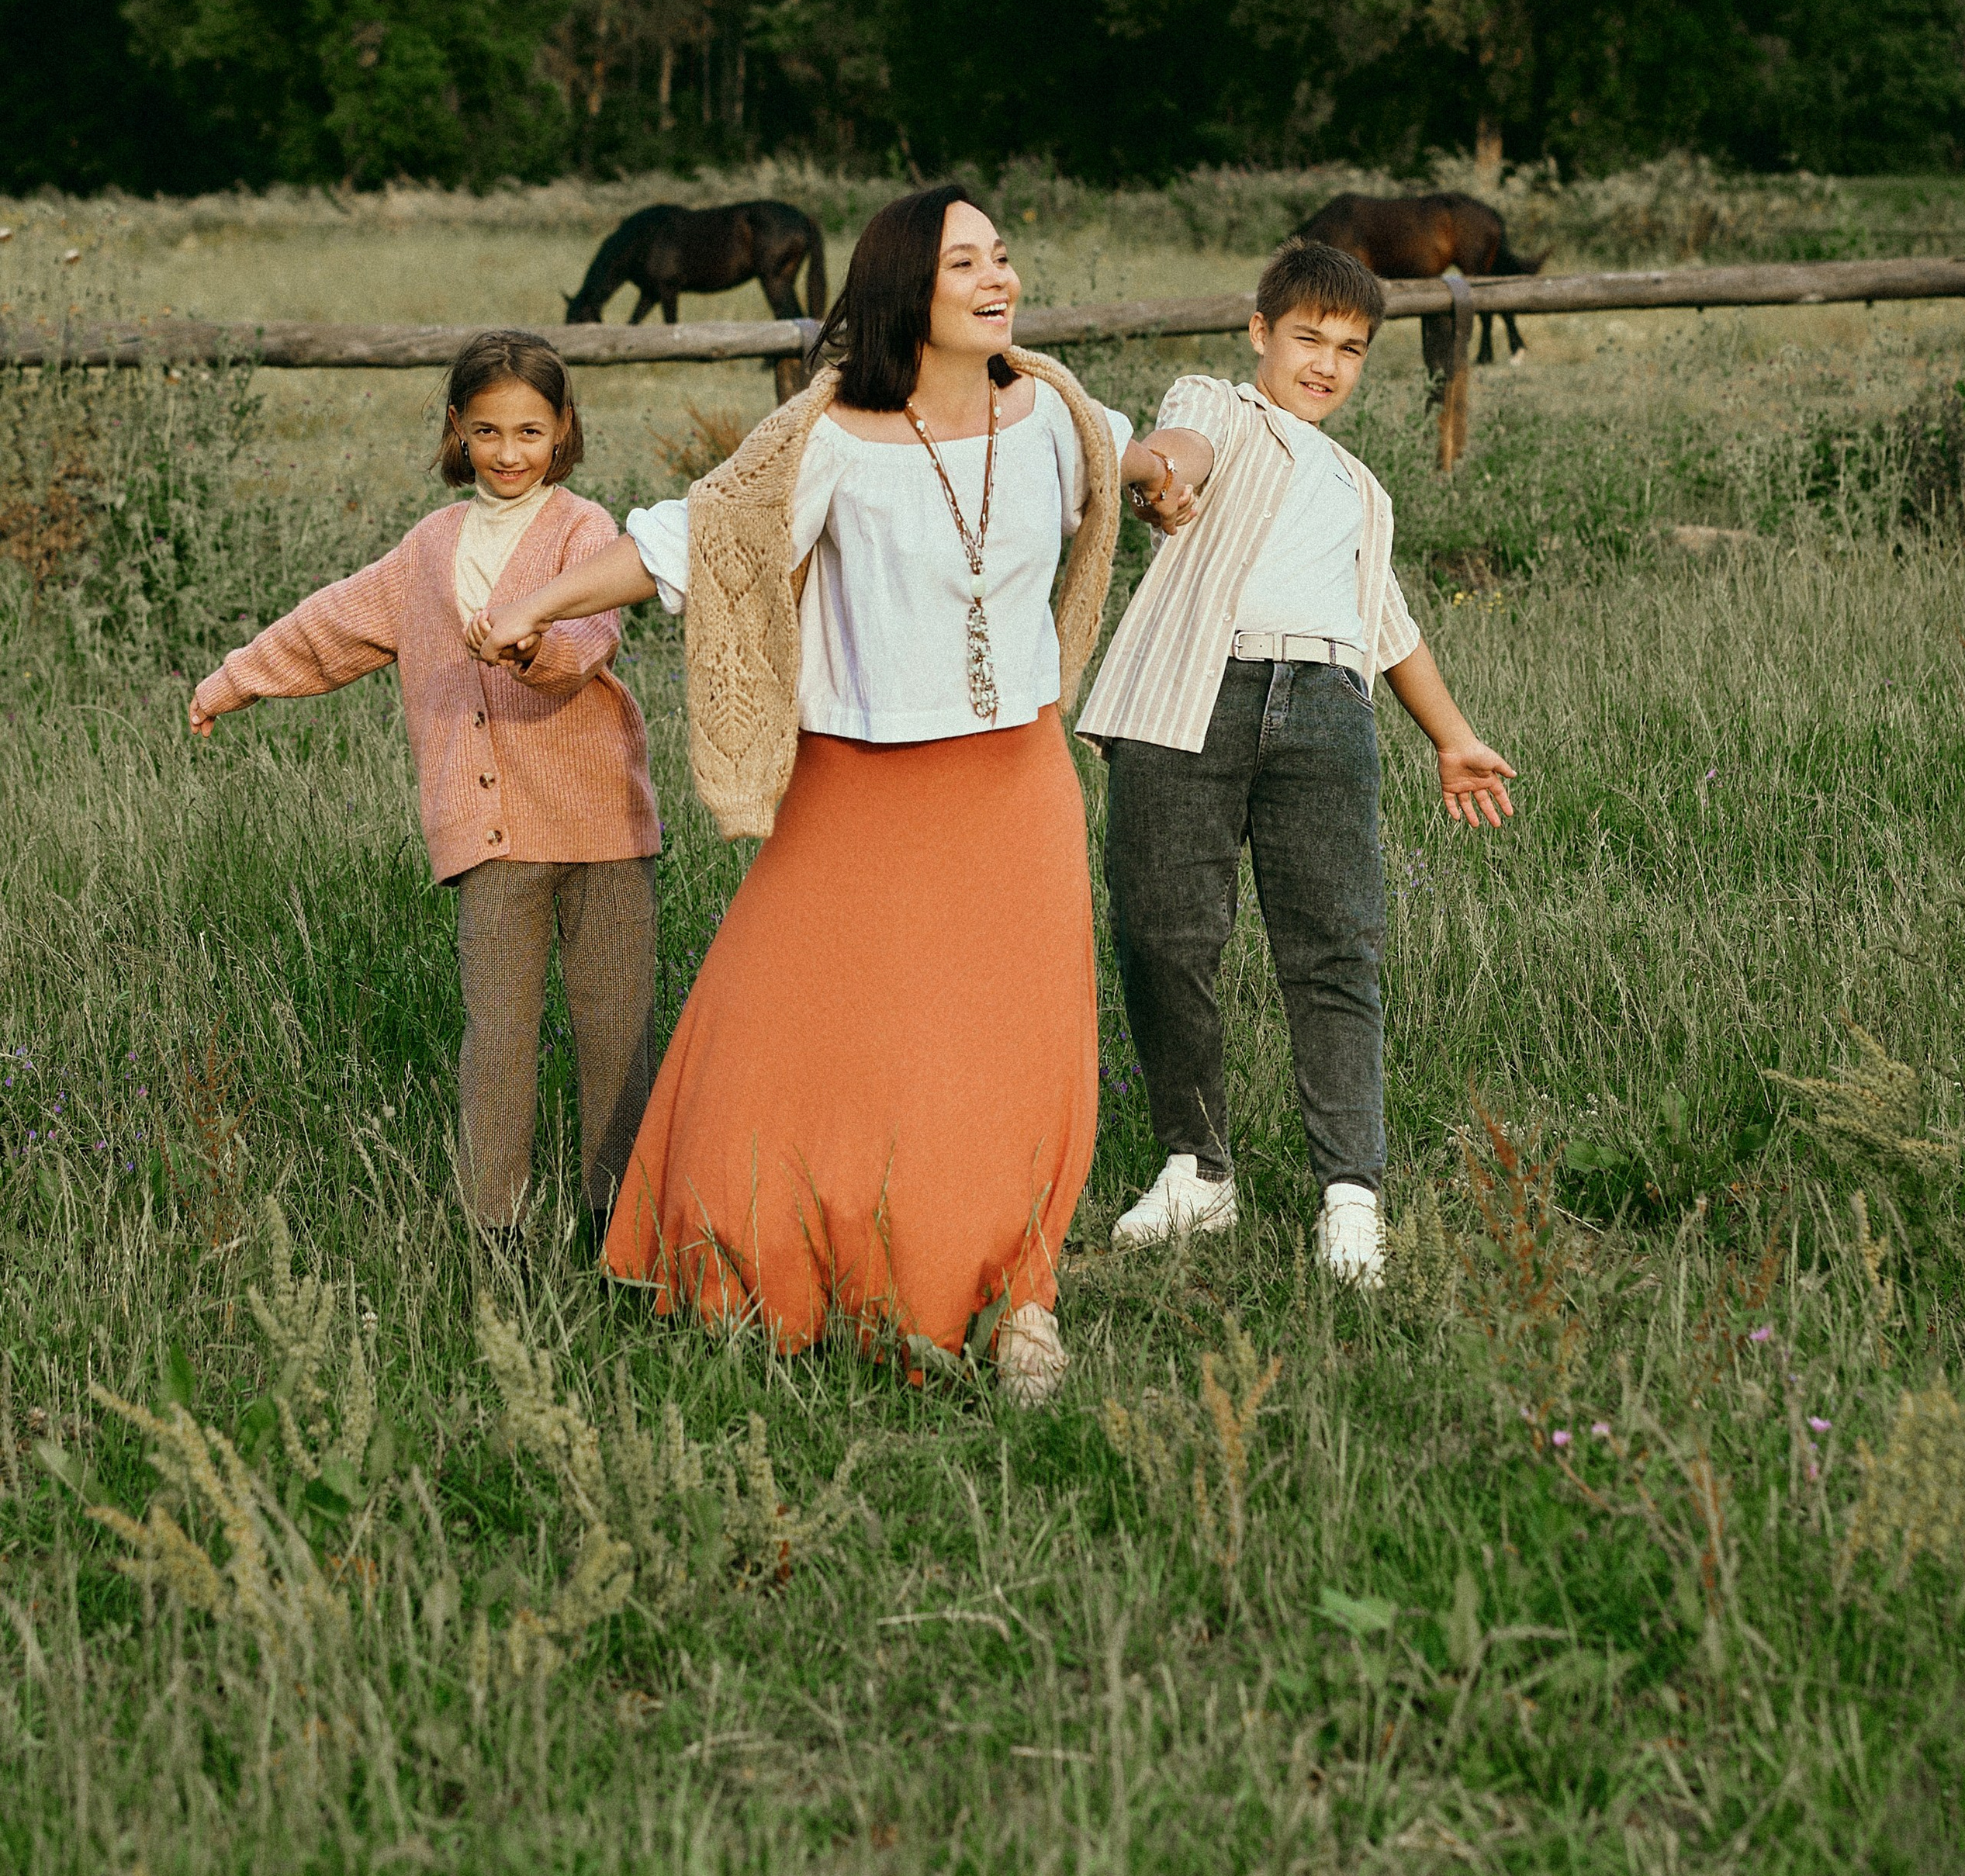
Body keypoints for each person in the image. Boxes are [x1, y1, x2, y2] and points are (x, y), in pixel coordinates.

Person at [467, 186, 1178, 1401]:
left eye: (1003, 258)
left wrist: (1185, 460)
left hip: (1015, 781)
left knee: (1005, 1051)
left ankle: (1013, 1299)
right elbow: (695, 539)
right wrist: (538, 602)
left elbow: (1145, 454)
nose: (999, 278)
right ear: (910, 285)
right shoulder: (828, 436)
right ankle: (759, 1260)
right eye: (967, 264)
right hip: (855, 782)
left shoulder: (1056, 413)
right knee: (791, 1031)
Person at [1078, 237, 1515, 1286]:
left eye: (1351, 349)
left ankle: (1350, 1198)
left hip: (1325, 709)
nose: (1324, 364)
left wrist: (1452, 739)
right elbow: (1178, 448)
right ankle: (1197, 1169)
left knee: (1334, 950)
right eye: (1307, 338)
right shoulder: (1221, 405)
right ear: (1260, 333)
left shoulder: (1362, 488)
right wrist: (1162, 481)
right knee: (1163, 935)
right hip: (1193, 697)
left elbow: (1390, 623)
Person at [188, 331, 661, 1248]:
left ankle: (623, 1225)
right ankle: (500, 1233)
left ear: (562, 432)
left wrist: (536, 646)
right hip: (489, 839)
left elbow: (592, 634)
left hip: (602, 822)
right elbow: (330, 625)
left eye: (530, 431)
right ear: (457, 430)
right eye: (487, 431)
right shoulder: (427, 547)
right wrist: (234, 679)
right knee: (498, 1040)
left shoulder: (583, 529)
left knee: (617, 1035)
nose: (509, 451)